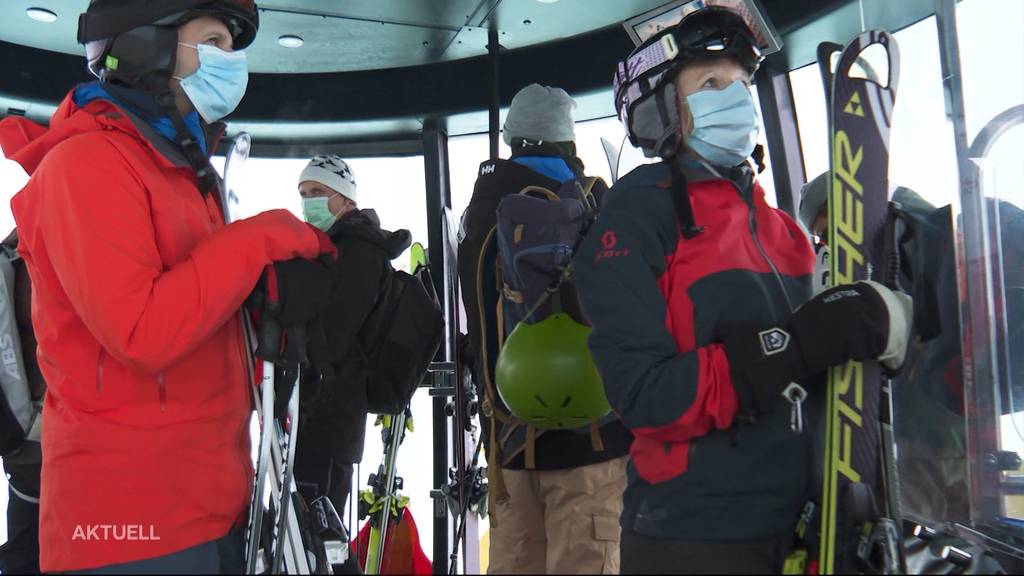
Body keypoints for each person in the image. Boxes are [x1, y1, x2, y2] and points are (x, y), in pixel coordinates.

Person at [573, 6, 913, 574]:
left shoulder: (783, 228)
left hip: (804, 527)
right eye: (710, 83)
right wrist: (799, 343)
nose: (734, 99)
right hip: (694, 539)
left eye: (742, 84)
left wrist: (879, 331)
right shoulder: (632, 219)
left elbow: (815, 375)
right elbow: (646, 396)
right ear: (664, 107)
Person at [0, 0, 336, 572]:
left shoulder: (180, 176)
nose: (231, 62)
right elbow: (141, 330)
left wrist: (265, 306)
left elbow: (200, 320)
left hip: (209, 507)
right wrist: (260, 239)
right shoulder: (86, 165)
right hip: (125, 529)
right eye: (214, 42)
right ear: (146, 46)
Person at [458, 83, 633, 575]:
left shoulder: (482, 214)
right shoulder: (593, 202)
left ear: (514, 138)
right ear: (568, 138)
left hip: (509, 441)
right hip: (591, 441)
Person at [292, 154, 412, 574]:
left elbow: (334, 335)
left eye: (318, 194)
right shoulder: (338, 249)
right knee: (309, 529)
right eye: (303, 195)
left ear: (344, 199)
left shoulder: (358, 252)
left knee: (318, 531)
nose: (308, 204)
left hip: (329, 412)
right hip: (326, 410)